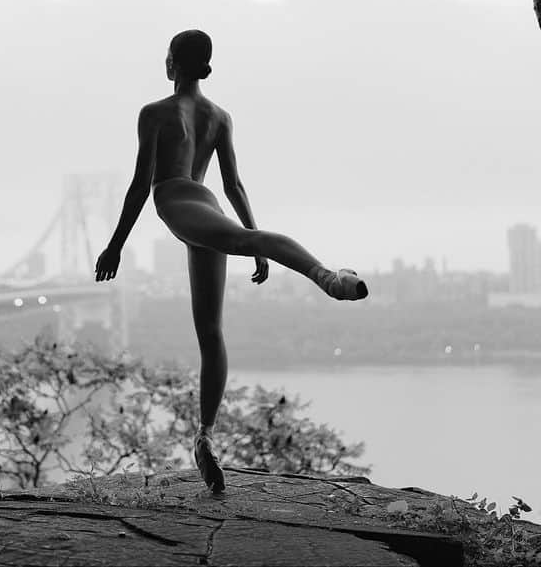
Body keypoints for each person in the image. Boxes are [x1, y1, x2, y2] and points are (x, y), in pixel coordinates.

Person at [94, 29, 368, 494]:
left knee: (230, 282)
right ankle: (204, 436)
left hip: (179, 202)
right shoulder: (218, 116)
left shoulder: (155, 113)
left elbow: (142, 183)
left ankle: (325, 276)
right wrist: (250, 238)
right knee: (211, 331)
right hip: (206, 204)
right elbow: (233, 186)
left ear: (172, 64)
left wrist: (116, 244)